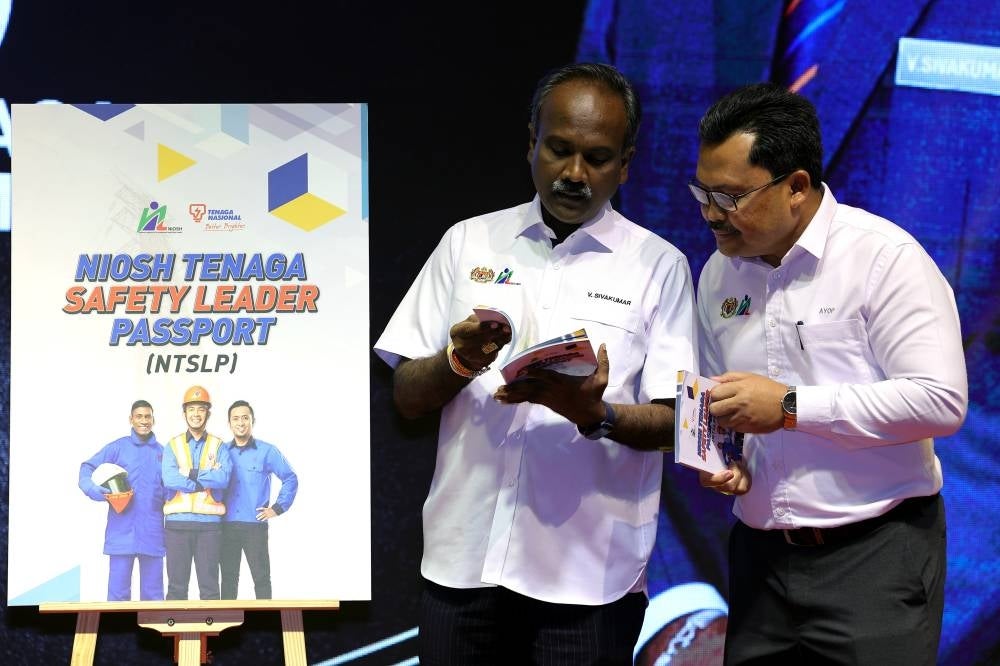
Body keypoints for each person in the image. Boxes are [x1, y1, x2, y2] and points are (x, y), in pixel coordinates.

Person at [374, 63, 697, 665]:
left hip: (587, 580)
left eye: (598, 158)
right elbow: (407, 397)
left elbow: (678, 423)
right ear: (531, 143)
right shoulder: (466, 242)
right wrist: (458, 360)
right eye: (559, 149)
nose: (575, 174)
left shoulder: (660, 267)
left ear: (626, 164)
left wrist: (594, 414)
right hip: (463, 567)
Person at [690, 82, 968, 665]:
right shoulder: (719, 272)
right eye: (702, 191)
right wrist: (724, 459)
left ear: (795, 187)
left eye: (730, 196)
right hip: (759, 558)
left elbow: (941, 402)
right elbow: (721, 396)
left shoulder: (883, 258)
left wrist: (791, 407)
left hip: (875, 555)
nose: (711, 213)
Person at [78, 400, 166, 601]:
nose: (144, 421)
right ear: (131, 419)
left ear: (153, 419)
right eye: (139, 416)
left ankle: (151, 633)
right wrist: (94, 490)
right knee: (117, 597)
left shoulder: (164, 453)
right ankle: (117, 632)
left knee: (154, 598)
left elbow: (170, 490)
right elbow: (87, 467)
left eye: (147, 416)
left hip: (152, 532)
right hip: (121, 532)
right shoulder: (117, 448)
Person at [220, 400, 298, 600]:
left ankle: (266, 625)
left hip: (255, 526)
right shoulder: (222, 452)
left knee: (261, 578)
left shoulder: (267, 451)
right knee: (228, 579)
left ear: (252, 420)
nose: (241, 422)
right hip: (226, 525)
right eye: (235, 418)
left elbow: (290, 477)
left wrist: (278, 508)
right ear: (229, 423)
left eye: (245, 418)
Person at [161, 385, 232, 600]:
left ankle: (213, 633)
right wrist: (204, 479)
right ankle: (173, 630)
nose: (196, 414)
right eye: (191, 409)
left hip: (209, 528)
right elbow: (170, 478)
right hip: (177, 526)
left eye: (201, 409)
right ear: (184, 413)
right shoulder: (172, 446)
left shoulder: (219, 446)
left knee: (210, 589)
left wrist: (189, 474)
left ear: (208, 413)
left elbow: (223, 478)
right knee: (176, 589)